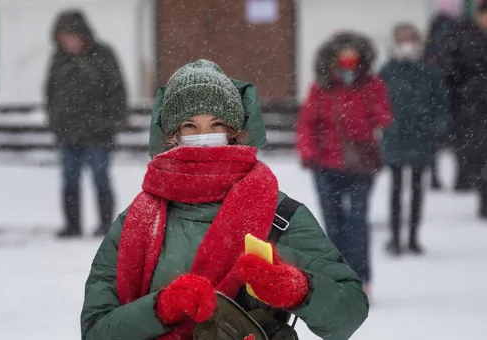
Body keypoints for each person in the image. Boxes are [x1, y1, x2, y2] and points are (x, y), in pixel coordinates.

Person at [80, 60, 369, 340]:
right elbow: (95, 329)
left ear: (234, 132)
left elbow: (350, 312)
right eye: (190, 126)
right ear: (172, 135)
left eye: (216, 124)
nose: (203, 136)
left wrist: (300, 290)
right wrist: (159, 309)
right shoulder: (139, 219)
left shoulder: (278, 214)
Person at [296, 32, 393, 294]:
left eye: (353, 54)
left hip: (360, 164)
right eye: (343, 54)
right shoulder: (321, 87)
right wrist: (307, 152)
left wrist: (366, 100)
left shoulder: (372, 84)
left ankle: (362, 278)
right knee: (333, 223)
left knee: (358, 223)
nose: (348, 59)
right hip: (326, 164)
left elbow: (384, 117)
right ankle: (338, 278)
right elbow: (307, 122)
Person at [45, 10, 126, 238]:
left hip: (98, 132)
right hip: (68, 132)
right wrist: (55, 122)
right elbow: (51, 92)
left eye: (70, 35)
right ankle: (72, 225)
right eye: (62, 37)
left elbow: (117, 91)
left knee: (101, 179)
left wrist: (111, 122)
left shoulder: (103, 55)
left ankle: (105, 225)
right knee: (69, 180)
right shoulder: (59, 59)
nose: (67, 41)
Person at [380, 23, 451, 256]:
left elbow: (441, 103)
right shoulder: (388, 71)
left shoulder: (429, 72)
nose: (406, 43)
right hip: (395, 137)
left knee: (418, 190)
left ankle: (412, 238)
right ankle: (395, 238)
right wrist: (385, 124)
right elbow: (377, 101)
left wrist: (437, 126)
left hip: (422, 138)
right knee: (396, 189)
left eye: (410, 38)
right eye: (402, 38)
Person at [440, 0, 487, 216]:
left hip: (473, 104)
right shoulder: (465, 36)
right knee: (477, 153)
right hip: (472, 107)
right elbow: (450, 70)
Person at [424, 0, 463, 190]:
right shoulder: (444, 26)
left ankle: (456, 176)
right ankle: (440, 176)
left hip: (452, 87)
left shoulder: (446, 26)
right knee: (437, 137)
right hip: (446, 86)